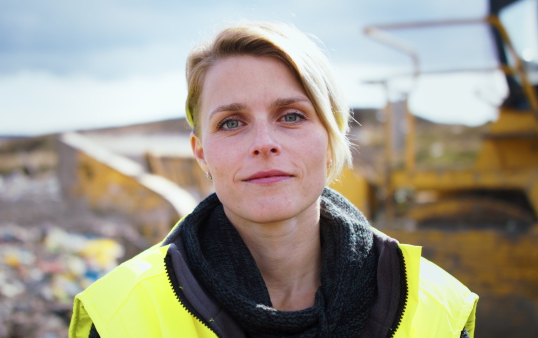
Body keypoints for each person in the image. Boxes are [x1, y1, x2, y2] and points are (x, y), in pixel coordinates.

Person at [69, 22, 478, 338]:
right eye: (232, 122)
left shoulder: (434, 307)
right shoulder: (121, 315)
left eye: (292, 116)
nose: (264, 143)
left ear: (332, 140)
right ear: (202, 154)